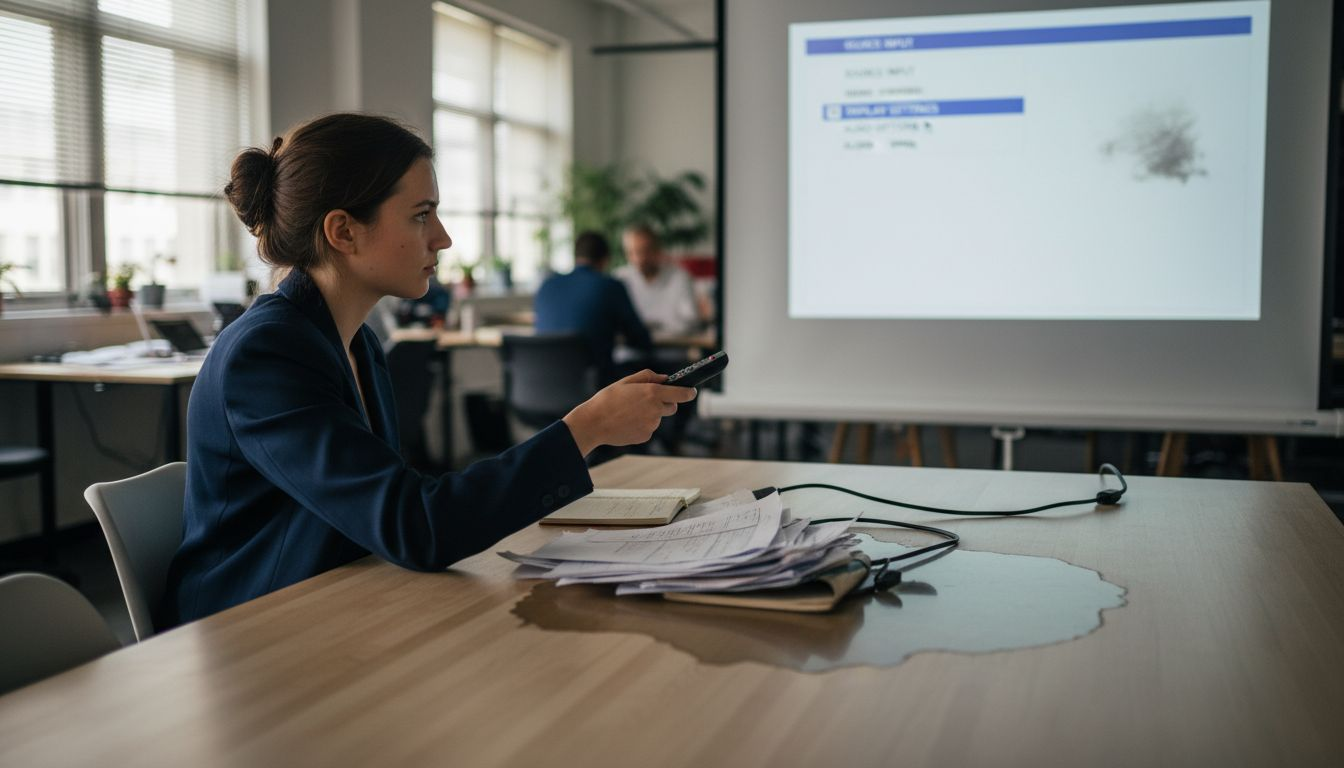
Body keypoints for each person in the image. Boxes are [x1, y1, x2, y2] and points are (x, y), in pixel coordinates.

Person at [161, 114, 696, 625]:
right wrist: (588, 428)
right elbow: (414, 525)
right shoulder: (268, 353)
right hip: (249, 631)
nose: (441, 238)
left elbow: (400, 510)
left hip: (337, 602)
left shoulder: (358, 342)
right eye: (421, 215)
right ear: (344, 232)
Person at [533, 231, 653, 379]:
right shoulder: (611, 286)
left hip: (542, 385)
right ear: (605, 259)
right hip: (593, 391)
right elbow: (640, 340)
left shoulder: (546, 285)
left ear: (575, 257)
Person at [613, 224, 702, 335]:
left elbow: (691, 321)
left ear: (657, 249)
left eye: (644, 251)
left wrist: (655, 326)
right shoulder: (619, 278)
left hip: (672, 347)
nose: (639, 259)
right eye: (632, 252)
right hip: (630, 349)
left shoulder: (680, 277)